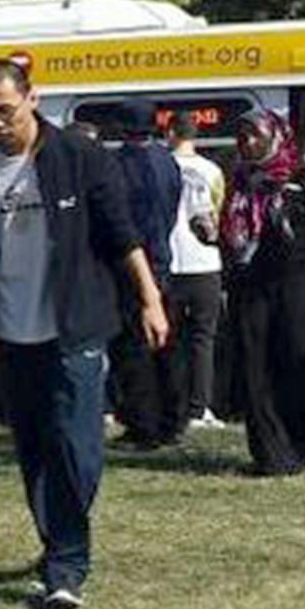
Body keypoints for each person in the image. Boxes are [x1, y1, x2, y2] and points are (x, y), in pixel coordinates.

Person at [0, 59, 169, 609]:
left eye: (4, 110)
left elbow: (122, 234)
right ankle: (59, 546)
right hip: (10, 327)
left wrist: (149, 298)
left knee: (76, 448)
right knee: (34, 449)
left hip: (74, 323)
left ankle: (66, 566)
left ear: (32, 98)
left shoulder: (79, 156)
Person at [222, 109, 305, 475]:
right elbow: (231, 231)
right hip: (251, 285)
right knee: (255, 367)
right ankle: (271, 454)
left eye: (256, 136)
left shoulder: (303, 178)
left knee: (299, 361)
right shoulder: (239, 179)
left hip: (301, 286)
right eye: (243, 136)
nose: (249, 143)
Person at [108, 106, 186, 450]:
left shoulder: (122, 164)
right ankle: (172, 417)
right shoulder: (168, 161)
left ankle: (143, 423)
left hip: (132, 263)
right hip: (164, 258)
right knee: (165, 344)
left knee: (132, 346)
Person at [166, 113, 229, 430]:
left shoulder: (162, 167)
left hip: (171, 261)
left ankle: (172, 405)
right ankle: (199, 407)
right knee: (203, 339)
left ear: (171, 132)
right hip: (205, 262)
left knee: (172, 340)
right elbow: (219, 212)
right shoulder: (213, 171)